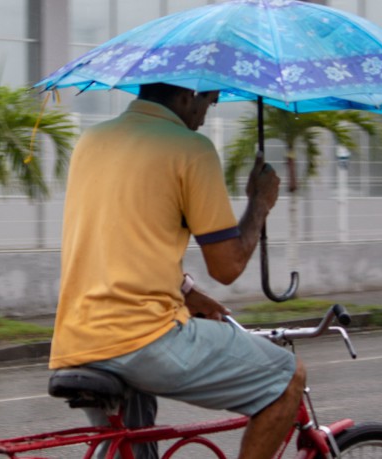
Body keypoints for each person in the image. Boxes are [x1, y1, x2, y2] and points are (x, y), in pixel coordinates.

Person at [50, 83, 306, 459]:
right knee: (288, 379)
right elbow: (227, 266)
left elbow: (125, 237)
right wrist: (260, 204)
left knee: (136, 451)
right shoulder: (190, 149)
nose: (204, 118)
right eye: (209, 104)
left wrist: (186, 291)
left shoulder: (91, 141)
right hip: (142, 338)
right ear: (188, 95)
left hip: (77, 340)